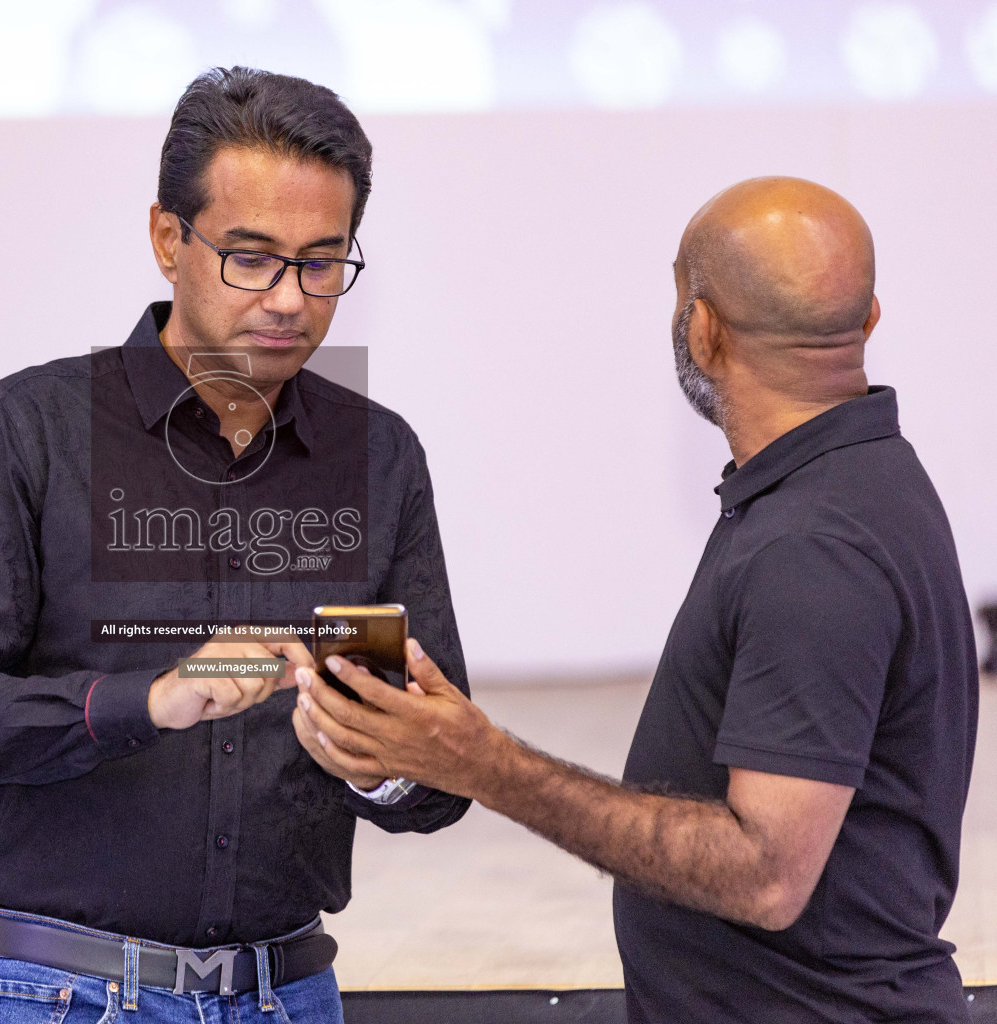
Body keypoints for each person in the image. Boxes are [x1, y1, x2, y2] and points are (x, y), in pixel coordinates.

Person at [292, 177, 980, 1023]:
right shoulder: (859, 486)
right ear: (870, 319)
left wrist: (486, 765)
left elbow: (765, 876)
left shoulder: (813, 545)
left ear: (702, 328)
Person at [0, 67, 471, 1024]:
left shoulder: (379, 456)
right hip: (64, 993)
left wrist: (379, 760)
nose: (289, 300)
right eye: (252, 257)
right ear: (167, 239)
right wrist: (147, 701)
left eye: (323, 263)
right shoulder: (34, 428)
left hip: (291, 991)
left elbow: (437, 778)